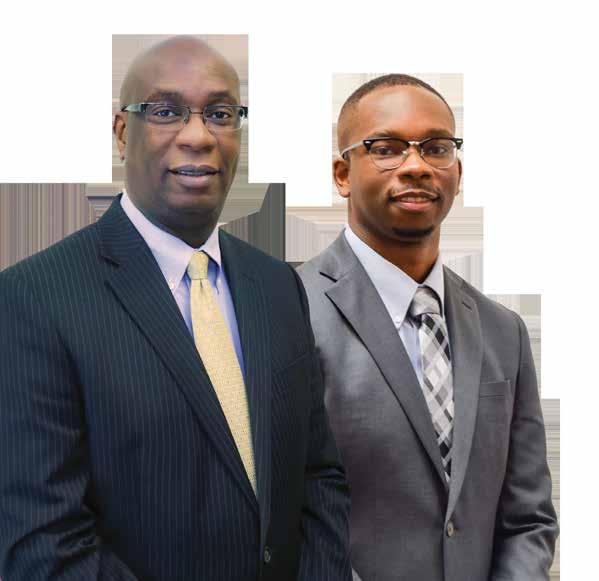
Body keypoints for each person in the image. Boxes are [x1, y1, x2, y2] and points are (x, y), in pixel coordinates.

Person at [0, 36, 351, 581]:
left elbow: (318, 476)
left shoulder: (278, 285)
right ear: (123, 133)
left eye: (221, 114)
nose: (198, 136)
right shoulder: (34, 298)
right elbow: (42, 540)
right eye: (165, 112)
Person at [297, 74, 558, 581]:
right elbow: (282, 512)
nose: (416, 165)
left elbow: (529, 519)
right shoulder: (288, 311)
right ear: (342, 174)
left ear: (457, 171)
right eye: (386, 149)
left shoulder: (503, 331)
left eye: (436, 148)